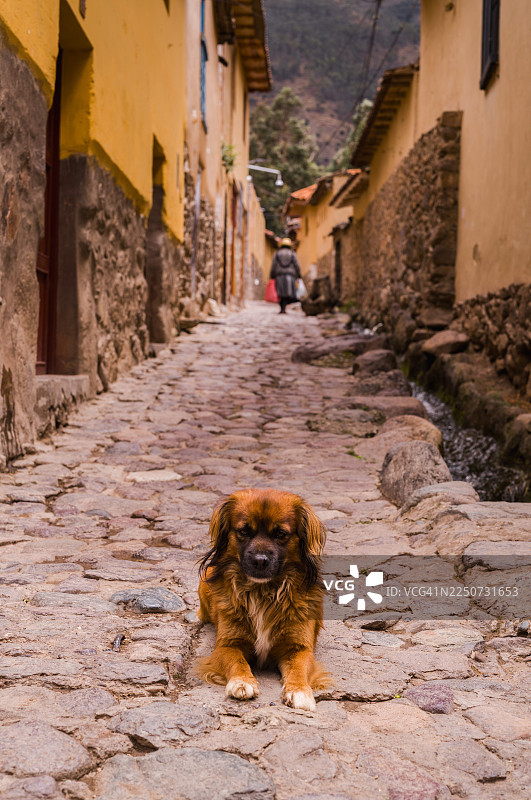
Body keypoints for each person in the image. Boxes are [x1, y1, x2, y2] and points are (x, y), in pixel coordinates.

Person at [269, 238, 302, 314]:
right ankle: (284, 307)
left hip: (279, 275)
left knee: (280, 292)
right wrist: (299, 275)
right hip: (290, 275)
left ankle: (282, 308)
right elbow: (297, 265)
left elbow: (273, 265)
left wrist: (272, 275)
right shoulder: (292, 254)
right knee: (288, 292)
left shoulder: (277, 253)